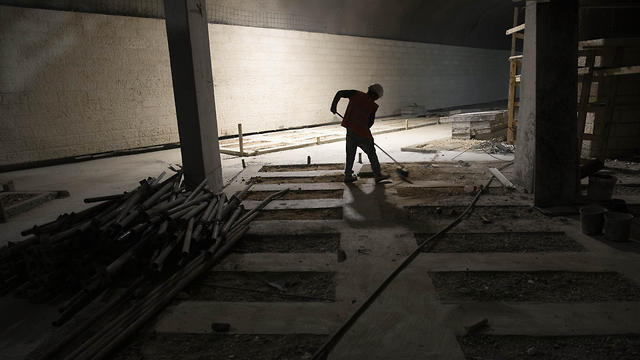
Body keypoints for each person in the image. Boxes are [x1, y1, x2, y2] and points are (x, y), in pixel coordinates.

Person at [330, 84, 390, 183]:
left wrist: (333, 106)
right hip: (363, 134)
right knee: (371, 153)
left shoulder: (355, 94)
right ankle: (378, 174)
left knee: (350, 154)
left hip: (350, 131)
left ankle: (348, 175)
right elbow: (370, 123)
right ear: (375, 96)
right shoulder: (373, 105)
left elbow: (339, 93)